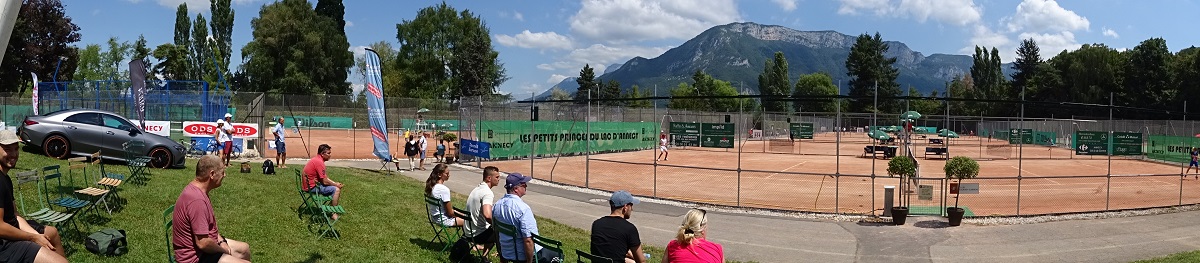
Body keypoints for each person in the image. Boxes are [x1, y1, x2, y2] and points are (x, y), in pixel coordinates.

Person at [0, 130, 67, 263]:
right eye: (7, 149)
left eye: (16, 149)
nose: (13, 154)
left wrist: (37, 236)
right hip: (4, 245)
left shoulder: (5, 178)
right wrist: (32, 238)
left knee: (52, 233)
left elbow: (15, 215)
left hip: (12, 230)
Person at [173, 155, 252, 263]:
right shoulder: (197, 200)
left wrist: (221, 241)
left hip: (205, 248)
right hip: (195, 258)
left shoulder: (200, 190)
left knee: (244, 249)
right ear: (212, 174)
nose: (225, 175)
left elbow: (210, 228)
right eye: (222, 172)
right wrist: (223, 249)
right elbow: (203, 243)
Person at [492, 172, 544, 263]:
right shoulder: (523, 209)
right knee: (555, 255)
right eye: (523, 185)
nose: (526, 186)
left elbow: (496, 232)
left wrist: (502, 256)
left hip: (507, 253)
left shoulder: (497, 206)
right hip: (523, 256)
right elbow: (528, 240)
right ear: (516, 188)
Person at [591, 190, 647, 263]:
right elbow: (641, 261)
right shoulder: (629, 229)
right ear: (625, 207)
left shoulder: (596, 224)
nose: (632, 209)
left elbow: (609, 250)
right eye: (631, 205)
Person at [465, 166, 502, 257]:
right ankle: (501, 257)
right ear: (489, 178)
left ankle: (484, 257)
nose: (499, 179)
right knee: (501, 233)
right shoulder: (487, 193)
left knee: (492, 230)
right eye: (497, 177)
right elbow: (487, 215)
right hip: (477, 235)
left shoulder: (477, 189)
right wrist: (497, 225)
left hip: (467, 231)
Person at [303, 144, 344, 221]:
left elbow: (324, 178)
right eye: (328, 153)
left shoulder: (316, 159)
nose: (330, 155)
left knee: (334, 187)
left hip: (309, 185)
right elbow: (325, 182)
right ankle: (333, 213)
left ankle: (331, 210)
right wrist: (336, 185)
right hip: (311, 188)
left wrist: (335, 183)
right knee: (336, 190)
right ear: (322, 154)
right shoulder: (319, 162)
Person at [424, 164, 464, 228]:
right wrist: (463, 216)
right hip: (444, 220)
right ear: (439, 175)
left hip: (434, 218)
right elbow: (450, 213)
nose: (449, 175)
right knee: (472, 222)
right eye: (447, 174)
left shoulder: (431, 186)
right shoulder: (444, 190)